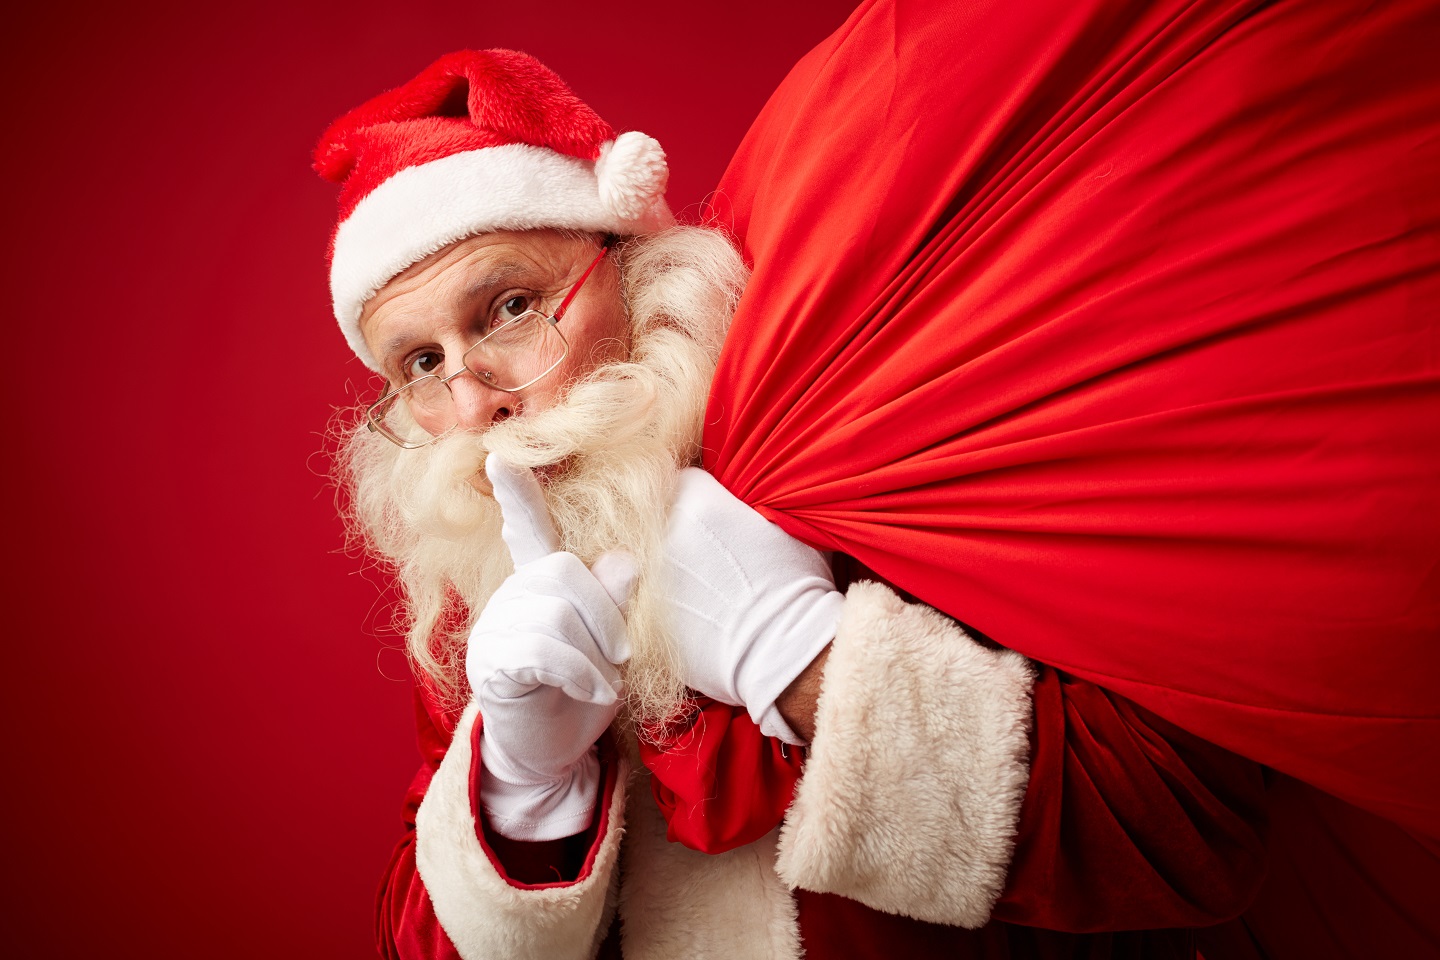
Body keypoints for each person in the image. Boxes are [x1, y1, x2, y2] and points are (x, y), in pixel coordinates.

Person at [315, 38, 1434, 960]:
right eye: (418, 365)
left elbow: (1185, 838)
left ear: (634, 260)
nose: (474, 404)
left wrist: (799, 655)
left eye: (512, 306)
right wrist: (521, 788)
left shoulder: (884, 425)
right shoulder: (484, 588)